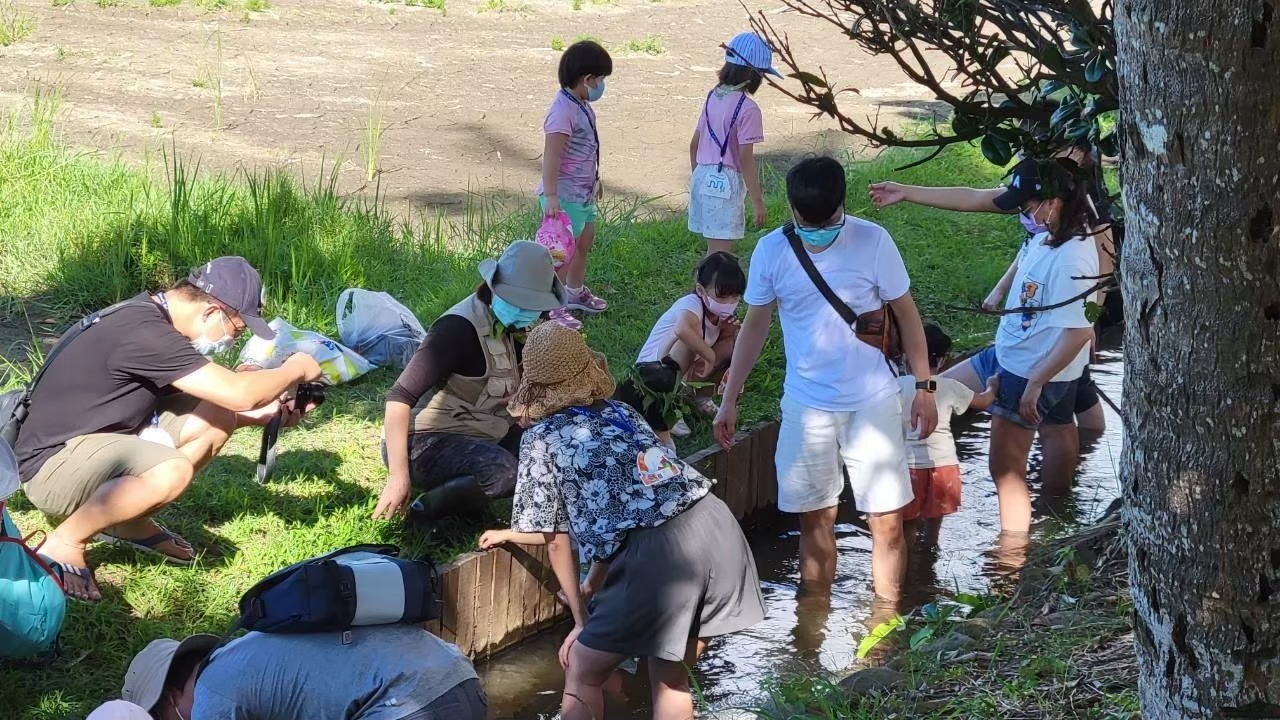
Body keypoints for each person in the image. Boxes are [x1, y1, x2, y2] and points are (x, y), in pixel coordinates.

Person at [480, 321, 765, 720]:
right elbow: (627, 512)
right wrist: (593, 584)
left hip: (662, 553)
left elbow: (556, 537)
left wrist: (581, 620)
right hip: (716, 529)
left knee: (581, 666)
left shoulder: (541, 437)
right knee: (669, 678)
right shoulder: (620, 413)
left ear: (536, 384)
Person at [14, 257, 323, 602]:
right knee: (172, 471)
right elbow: (240, 392)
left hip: (89, 443)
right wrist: (296, 366)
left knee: (218, 416)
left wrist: (263, 414)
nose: (234, 341)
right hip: (51, 467)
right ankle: (65, 541)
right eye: (237, 331)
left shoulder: (149, 316)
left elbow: (229, 403)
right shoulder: (146, 334)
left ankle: (126, 521)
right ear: (211, 313)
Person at [714, 156, 939, 604]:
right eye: (807, 221)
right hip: (806, 406)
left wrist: (924, 387)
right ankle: (812, 621)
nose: (817, 229)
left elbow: (909, 317)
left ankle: (885, 622)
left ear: (843, 206)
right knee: (814, 518)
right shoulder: (772, 251)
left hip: (872, 401)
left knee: (887, 521)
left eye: (828, 220)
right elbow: (755, 327)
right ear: (793, 212)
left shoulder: (873, 241)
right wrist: (730, 398)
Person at [867, 148, 1113, 435]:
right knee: (1060, 420)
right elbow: (976, 200)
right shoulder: (1043, 214)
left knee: (1062, 423)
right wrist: (907, 192)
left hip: (1049, 348)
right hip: (1026, 343)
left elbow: (1100, 280)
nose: (1022, 213)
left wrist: (1088, 324)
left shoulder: (1086, 225)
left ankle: (1084, 455)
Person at [373, 241, 565, 522]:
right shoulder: (457, 330)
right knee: (503, 473)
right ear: (495, 290)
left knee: (554, 449)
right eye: (519, 303)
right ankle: (427, 513)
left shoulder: (522, 326)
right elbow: (399, 398)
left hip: (486, 428)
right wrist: (398, 477)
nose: (527, 312)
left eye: (533, 306)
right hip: (423, 441)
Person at [984, 159, 1099, 533]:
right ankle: (1058, 511)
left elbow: (1078, 332)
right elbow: (1026, 258)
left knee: (1005, 469)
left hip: (1031, 368)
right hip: (1035, 360)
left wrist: (1035, 383)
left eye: (1027, 206)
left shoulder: (1073, 256)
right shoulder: (1050, 232)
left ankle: (1011, 556)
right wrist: (1000, 290)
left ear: (1053, 201)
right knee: (1059, 424)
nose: (1023, 214)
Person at [120, 627, 485, 720]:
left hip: (407, 703)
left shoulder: (212, 698)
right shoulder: (245, 654)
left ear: (170, 698)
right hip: (457, 675)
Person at [613, 251, 746, 448]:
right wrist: (708, 355)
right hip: (653, 374)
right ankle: (668, 408)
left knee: (736, 343)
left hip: (684, 372)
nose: (729, 303)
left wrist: (727, 333)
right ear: (701, 291)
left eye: (735, 296)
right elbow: (682, 330)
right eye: (723, 296)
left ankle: (700, 399)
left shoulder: (722, 316)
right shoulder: (691, 304)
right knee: (688, 343)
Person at [895, 323, 998, 548]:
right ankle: (930, 559)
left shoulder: (895, 386)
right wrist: (993, 385)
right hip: (943, 469)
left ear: (904, 356)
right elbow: (984, 401)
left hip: (908, 468)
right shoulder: (950, 386)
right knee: (934, 529)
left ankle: (909, 570)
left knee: (907, 527)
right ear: (943, 360)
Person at [538, 39, 613, 331]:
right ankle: (551, 306)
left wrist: (596, 180)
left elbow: (585, 149)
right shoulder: (562, 112)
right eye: (601, 80)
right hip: (565, 196)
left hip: (583, 193)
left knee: (584, 241)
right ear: (587, 79)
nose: (601, 86)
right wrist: (552, 195)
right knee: (561, 254)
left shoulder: (579, 104)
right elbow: (552, 157)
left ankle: (574, 291)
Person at [687, 31, 777, 256]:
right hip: (725, 181)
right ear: (754, 74)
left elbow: (693, 144)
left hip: (702, 176)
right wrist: (758, 202)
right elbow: (745, 159)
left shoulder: (712, 96)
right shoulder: (749, 109)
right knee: (721, 255)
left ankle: (702, 289)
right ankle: (709, 290)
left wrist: (699, 178)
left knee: (713, 249)